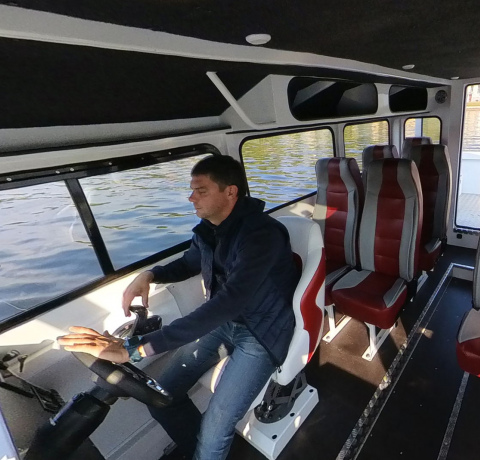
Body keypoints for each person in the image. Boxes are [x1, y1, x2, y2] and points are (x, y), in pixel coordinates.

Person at [58, 155, 299, 460]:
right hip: (224, 324)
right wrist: (150, 274)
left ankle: (208, 450)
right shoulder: (210, 230)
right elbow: (188, 263)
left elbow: (228, 302)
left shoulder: (261, 236)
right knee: (162, 397)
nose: (191, 198)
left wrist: (134, 349)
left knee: (216, 427)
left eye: (201, 191)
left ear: (230, 192)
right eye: (191, 190)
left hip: (261, 332)